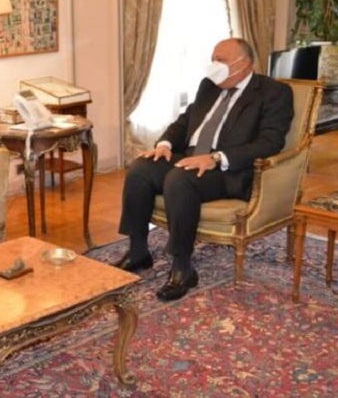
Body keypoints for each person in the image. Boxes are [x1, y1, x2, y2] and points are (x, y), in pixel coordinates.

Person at [113, 38, 294, 301]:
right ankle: (138, 250)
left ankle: (182, 267)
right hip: (191, 157)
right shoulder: (208, 86)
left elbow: (270, 142)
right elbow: (185, 121)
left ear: (244, 63)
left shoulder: (273, 92)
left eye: (221, 60)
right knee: (141, 168)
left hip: (229, 169)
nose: (214, 65)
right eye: (213, 59)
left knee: (179, 179)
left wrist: (216, 158)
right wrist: (164, 144)